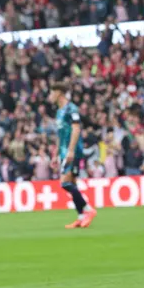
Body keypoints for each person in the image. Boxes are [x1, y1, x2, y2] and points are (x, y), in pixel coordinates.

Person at [49, 82, 97, 229]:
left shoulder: (71, 108)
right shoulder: (59, 111)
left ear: (59, 93)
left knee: (64, 183)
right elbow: (60, 134)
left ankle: (88, 209)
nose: (49, 96)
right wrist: (55, 153)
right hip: (64, 151)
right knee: (73, 184)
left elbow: (76, 130)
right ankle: (81, 217)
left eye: (51, 93)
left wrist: (70, 150)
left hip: (73, 151)